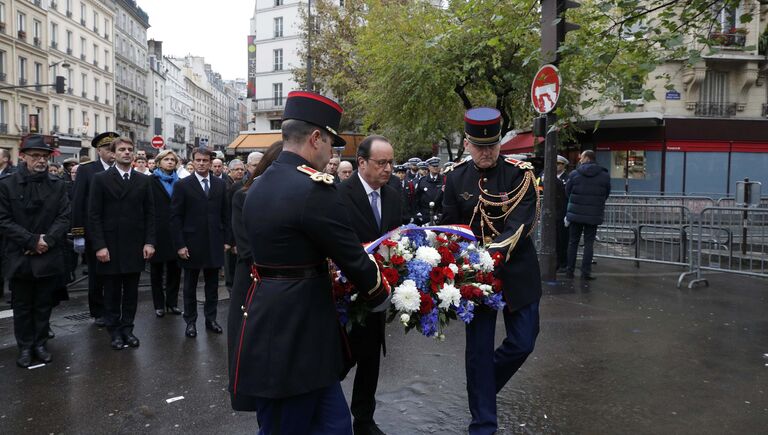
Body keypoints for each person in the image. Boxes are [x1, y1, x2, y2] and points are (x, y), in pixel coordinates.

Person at [229, 91, 390, 434]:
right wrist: (381, 293)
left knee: (330, 424)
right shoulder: (314, 188)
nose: (333, 152)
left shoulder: (257, 186)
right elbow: (350, 255)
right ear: (315, 137)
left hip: (271, 321)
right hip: (298, 332)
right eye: (332, 142)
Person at [440, 107, 541, 435]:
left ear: (500, 143)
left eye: (492, 146)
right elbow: (451, 230)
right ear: (467, 143)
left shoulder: (520, 174)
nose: (486, 153)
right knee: (478, 351)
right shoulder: (455, 177)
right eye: (479, 146)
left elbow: (520, 224)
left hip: (517, 272)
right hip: (474, 279)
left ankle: (482, 389)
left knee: (523, 342)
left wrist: (489, 258)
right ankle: (483, 423)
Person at [338, 135, 401, 435]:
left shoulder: (394, 194)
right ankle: (323, 410)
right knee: (342, 355)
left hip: (379, 290)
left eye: (391, 162)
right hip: (346, 291)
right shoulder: (339, 194)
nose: (388, 169)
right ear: (361, 162)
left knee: (371, 356)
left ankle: (364, 417)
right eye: (381, 163)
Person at [0, 135, 70, 367]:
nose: (41, 161)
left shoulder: (57, 184)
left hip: (47, 254)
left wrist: (46, 241)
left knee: (43, 303)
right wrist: (31, 241)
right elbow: (4, 220)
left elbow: (64, 217)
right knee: (21, 306)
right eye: (35, 156)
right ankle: (25, 347)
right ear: (23, 157)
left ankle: (40, 344)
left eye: (44, 156)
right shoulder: (6, 184)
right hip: (20, 254)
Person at [226, 140, 282, 395]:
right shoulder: (243, 195)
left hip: (275, 277)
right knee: (247, 339)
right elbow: (246, 246)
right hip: (252, 276)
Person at [88, 137, 155, 350]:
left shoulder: (144, 180)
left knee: (132, 292)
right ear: (113, 153)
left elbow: (151, 214)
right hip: (110, 246)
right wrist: (99, 245)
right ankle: (114, 331)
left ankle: (128, 329)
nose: (126, 152)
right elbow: (94, 215)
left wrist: (149, 242)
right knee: (112, 292)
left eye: (130, 149)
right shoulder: (100, 179)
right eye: (122, 149)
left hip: (134, 246)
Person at [171, 147, 230, 338]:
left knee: (212, 285)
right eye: (198, 160)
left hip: (215, 241)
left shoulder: (220, 185)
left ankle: (211, 319)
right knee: (190, 285)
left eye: (205, 160)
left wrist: (228, 240)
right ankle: (190, 321)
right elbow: (175, 217)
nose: (202, 163)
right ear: (193, 161)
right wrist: (180, 244)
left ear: (211, 162)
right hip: (191, 242)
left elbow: (226, 215)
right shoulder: (182, 185)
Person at [71, 132, 119, 327]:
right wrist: (78, 234)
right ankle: (97, 310)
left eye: (113, 148)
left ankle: (113, 308)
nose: (112, 153)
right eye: (108, 149)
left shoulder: (122, 170)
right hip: (94, 232)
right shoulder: (87, 170)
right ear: (98, 151)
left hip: (116, 232)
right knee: (97, 274)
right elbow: (78, 203)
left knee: (115, 274)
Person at [565, 150, 610, 280]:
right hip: (593, 214)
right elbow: (606, 193)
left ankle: (569, 271)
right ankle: (586, 273)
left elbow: (567, 192)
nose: (580, 160)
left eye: (582, 157)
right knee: (589, 243)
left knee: (573, 242)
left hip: (576, 213)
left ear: (587, 158)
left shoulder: (574, 174)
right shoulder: (604, 175)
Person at [149, 150, 183, 317]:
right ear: (159, 162)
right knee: (156, 271)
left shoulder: (181, 182)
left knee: (175, 270)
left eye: (173, 160)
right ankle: (159, 304)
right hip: (157, 231)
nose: (170, 162)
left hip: (175, 231)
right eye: (166, 159)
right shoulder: (150, 181)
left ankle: (172, 303)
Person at [414, 156, 443, 225]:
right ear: (429, 167)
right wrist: (418, 212)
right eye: (433, 166)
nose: (436, 168)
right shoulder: (422, 180)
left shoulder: (444, 179)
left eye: (437, 166)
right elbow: (417, 198)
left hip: (438, 214)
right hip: (425, 214)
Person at [555, 155, 570, 271]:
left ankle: (563, 262)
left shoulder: (568, 178)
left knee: (562, 239)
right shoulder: (546, 176)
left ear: (563, 165)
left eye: (558, 164)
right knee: (553, 239)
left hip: (563, 212)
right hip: (552, 212)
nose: (556, 166)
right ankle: (556, 262)